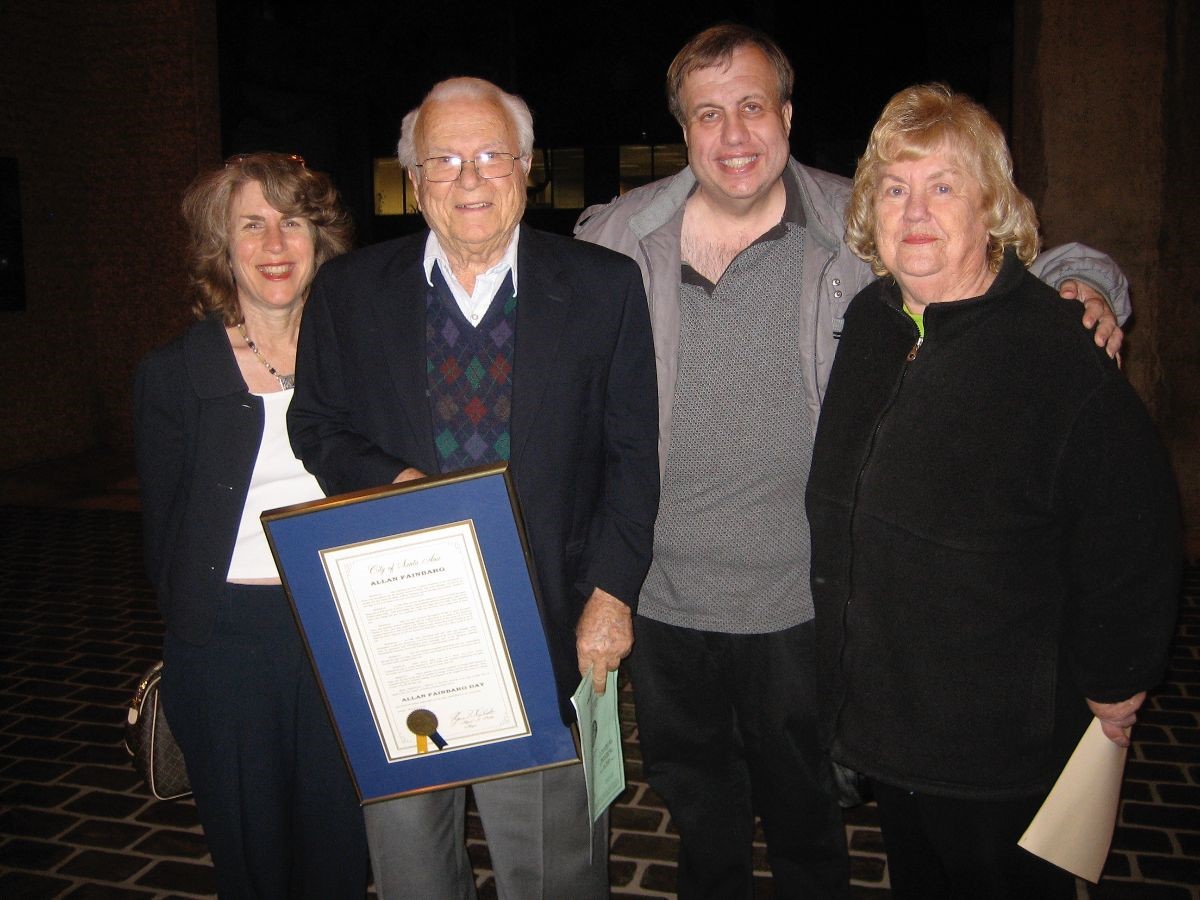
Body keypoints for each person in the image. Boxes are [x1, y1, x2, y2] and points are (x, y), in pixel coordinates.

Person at [574, 23, 1134, 899]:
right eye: (708, 113)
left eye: (753, 106)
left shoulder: (854, 222)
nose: (733, 135)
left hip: (807, 597)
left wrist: (1092, 281)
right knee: (699, 815)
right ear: (682, 129)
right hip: (667, 596)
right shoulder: (614, 239)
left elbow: (990, 251)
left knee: (809, 825)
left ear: (787, 115)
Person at [805, 83, 1180, 899]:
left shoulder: (1055, 349)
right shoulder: (873, 322)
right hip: (891, 724)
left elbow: (1135, 535)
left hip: (1003, 750)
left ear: (993, 208)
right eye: (895, 189)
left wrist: (1117, 679)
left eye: (944, 187)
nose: (916, 212)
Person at [287, 77, 658, 899]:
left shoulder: (603, 287)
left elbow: (633, 456)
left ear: (527, 169)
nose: (470, 179)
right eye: (444, 161)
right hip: (403, 632)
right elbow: (314, 425)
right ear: (413, 181)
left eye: (491, 155)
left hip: (548, 626)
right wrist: (397, 482)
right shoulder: (349, 293)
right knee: (413, 871)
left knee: (554, 871)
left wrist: (612, 593)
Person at [134, 152, 367, 897]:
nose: (274, 244)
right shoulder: (173, 374)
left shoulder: (361, 359)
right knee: (252, 858)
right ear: (221, 246)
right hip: (229, 642)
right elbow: (166, 529)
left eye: (292, 222)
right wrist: (196, 627)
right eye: (253, 225)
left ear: (319, 239)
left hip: (342, 626)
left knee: (342, 848)